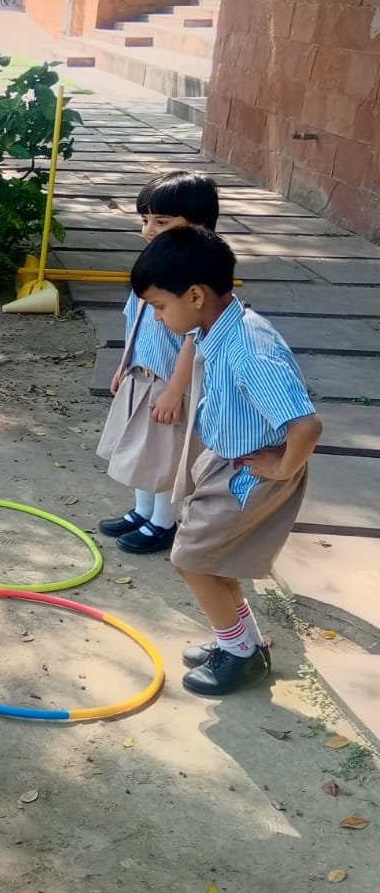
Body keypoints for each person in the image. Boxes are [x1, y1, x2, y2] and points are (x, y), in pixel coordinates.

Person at [131, 227, 321, 696]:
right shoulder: (217, 330)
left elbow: (306, 425)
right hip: (228, 460)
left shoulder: (248, 349)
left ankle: (239, 655)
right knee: (211, 560)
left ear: (195, 295)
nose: (156, 317)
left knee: (192, 559)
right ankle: (242, 643)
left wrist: (283, 467)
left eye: (159, 305)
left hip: (250, 474)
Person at [96, 171, 220, 555]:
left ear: (198, 225)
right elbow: (134, 319)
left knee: (164, 457)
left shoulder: (197, 278)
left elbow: (194, 339)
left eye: (162, 222)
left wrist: (175, 390)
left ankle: (163, 522)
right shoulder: (154, 264)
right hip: (141, 374)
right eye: (145, 220)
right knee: (140, 449)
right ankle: (142, 511)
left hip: (169, 382)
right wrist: (124, 363)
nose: (149, 230)